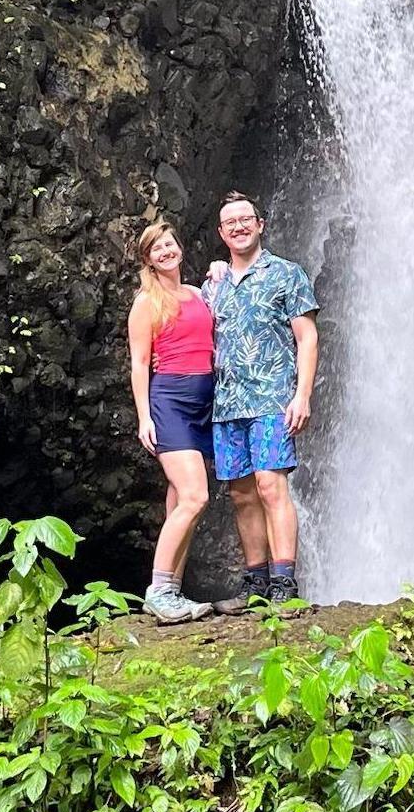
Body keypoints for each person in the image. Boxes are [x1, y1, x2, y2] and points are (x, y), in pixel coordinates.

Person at [202, 191, 319, 606]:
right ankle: (255, 585)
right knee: (242, 494)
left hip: (272, 399)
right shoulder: (212, 288)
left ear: (260, 224)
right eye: (230, 221)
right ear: (221, 232)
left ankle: (285, 586)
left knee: (271, 486)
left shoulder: (287, 274)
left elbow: (306, 337)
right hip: (227, 403)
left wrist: (301, 395)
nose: (238, 226)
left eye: (245, 219)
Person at [127, 220, 216, 624]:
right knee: (196, 496)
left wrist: (219, 269)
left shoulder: (198, 294)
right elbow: (140, 362)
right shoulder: (147, 302)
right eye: (155, 248)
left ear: (179, 247)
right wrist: (145, 417)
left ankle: (173, 590)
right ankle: (158, 591)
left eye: (169, 244)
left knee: (180, 500)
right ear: (148, 259)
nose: (165, 251)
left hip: (204, 401)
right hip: (170, 400)